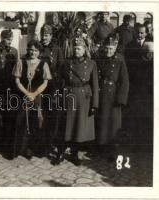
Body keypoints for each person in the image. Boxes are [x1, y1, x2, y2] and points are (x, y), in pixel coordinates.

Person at [59, 36, 99, 166]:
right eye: (75, 48)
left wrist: (94, 104)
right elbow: (61, 81)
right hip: (69, 96)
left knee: (79, 127)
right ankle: (61, 152)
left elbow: (95, 85)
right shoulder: (66, 62)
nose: (76, 50)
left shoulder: (91, 63)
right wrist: (61, 96)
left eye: (79, 48)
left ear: (84, 49)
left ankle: (74, 153)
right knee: (67, 126)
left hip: (84, 97)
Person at [12, 40, 52, 160]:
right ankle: (21, 149)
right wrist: (27, 93)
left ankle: (34, 149)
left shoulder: (43, 64)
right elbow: (17, 80)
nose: (32, 52)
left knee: (36, 121)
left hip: (37, 96)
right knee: (22, 121)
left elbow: (45, 82)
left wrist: (34, 94)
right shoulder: (21, 62)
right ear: (27, 50)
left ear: (39, 52)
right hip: (22, 96)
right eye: (30, 49)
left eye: (35, 50)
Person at [96, 36, 129, 158]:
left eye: (111, 48)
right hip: (102, 93)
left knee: (114, 123)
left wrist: (121, 98)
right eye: (107, 48)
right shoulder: (101, 58)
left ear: (115, 48)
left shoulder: (120, 60)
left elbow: (124, 80)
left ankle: (113, 149)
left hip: (114, 94)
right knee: (103, 121)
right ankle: (102, 147)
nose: (108, 51)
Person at [0, 29, 19, 158]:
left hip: (10, 89)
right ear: (1, 38)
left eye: (11, 39)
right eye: (7, 39)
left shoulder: (14, 51)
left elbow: (17, 70)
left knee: (8, 117)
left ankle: (6, 146)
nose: (9, 42)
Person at [39, 24, 65, 163]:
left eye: (47, 35)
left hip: (52, 87)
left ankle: (53, 145)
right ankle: (41, 145)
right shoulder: (37, 47)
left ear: (51, 36)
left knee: (53, 118)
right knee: (40, 116)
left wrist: (57, 89)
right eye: (43, 35)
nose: (45, 37)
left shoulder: (57, 49)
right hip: (39, 87)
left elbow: (61, 69)